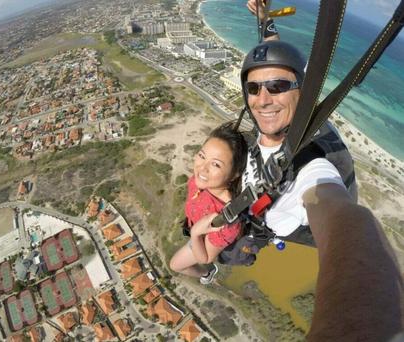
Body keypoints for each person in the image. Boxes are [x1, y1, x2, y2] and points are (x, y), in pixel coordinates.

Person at [234, 4, 404, 338]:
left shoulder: (313, 170)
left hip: (269, 227)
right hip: (257, 218)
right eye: (254, 89)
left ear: (303, 92)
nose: (263, 99)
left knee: (241, 250)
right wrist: (266, 21)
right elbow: (280, 65)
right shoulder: (266, 125)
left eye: (278, 87)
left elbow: (346, 220)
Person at [169, 123, 247, 284]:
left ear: (234, 175)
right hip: (195, 228)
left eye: (216, 164)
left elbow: (204, 257)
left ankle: (207, 273)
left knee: (175, 265)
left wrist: (196, 233)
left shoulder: (226, 219)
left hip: (203, 242)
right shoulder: (203, 182)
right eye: (202, 156)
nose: (202, 168)